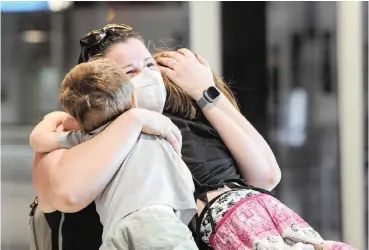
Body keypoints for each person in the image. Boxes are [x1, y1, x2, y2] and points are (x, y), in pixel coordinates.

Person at [32, 24, 355, 250]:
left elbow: (266, 174)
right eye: (129, 72)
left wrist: (207, 94)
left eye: (148, 64)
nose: (147, 76)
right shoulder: (83, 130)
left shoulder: (189, 115)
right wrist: (130, 119)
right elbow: (62, 195)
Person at [30, 58, 198, 250]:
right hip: (159, 227)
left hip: (115, 233)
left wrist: (57, 117)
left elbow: (39, 138)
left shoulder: (88, 138)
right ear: (134, 99)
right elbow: (185, 181)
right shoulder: (156, 129)